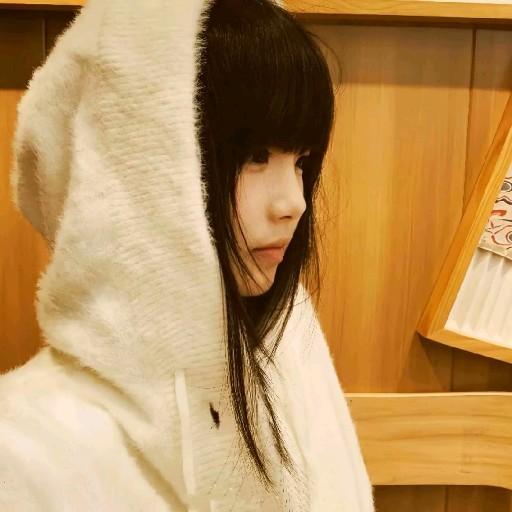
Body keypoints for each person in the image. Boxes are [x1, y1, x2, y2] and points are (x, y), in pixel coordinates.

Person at [1, 0, 375, 510]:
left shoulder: (290, 350)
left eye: (301, 162)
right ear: (136, 168)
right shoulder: (26, 446)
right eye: (255, 157)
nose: (294, 202)